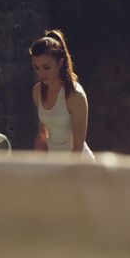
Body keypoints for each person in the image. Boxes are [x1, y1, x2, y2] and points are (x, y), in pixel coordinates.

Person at [29, 30, 95, 162]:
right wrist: (35, 167)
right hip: (54, 163)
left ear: (60, 63)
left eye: (46, 67)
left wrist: (65, 175)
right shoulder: (37, 91)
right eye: (37, 68)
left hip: (79, 165)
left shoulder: (76, 95)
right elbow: (42, 134)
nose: (41, 74)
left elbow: (78, 147)